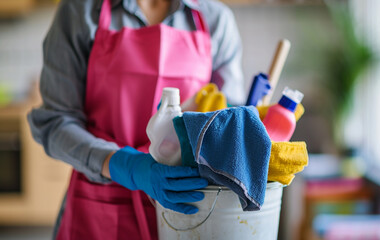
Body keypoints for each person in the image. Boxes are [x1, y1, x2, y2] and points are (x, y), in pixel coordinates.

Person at [27, 0, 245, 238]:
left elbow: (228, 123)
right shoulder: (81, 10)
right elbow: (56, 122)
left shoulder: (215, 19)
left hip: (186, 207)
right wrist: (125, 165)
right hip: (100, 207)